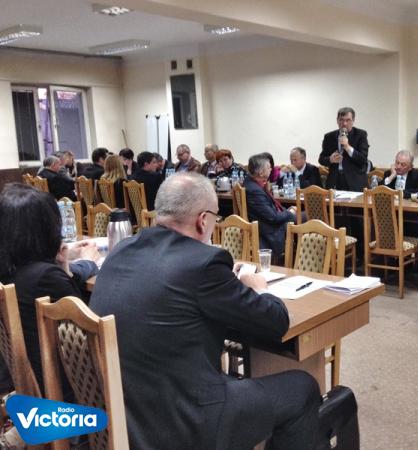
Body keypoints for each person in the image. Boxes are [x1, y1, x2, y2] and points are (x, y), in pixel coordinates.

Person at [89, 173, 320, 450]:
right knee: (302, 388)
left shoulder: (122, 249)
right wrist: (259, 288)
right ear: (202, 220)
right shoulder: (205, 263)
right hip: (184, 422)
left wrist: (225, 285)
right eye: (215, 218)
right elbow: (276, 322)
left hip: (124, 415)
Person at [0, 184, 100, 393]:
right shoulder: (46, 277)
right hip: (62, 389)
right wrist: (74, 266)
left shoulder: (15, 269)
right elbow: (87, 331)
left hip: (20, 381)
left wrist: (65, 264)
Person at [246, 154, 297, 260]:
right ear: (261, 172)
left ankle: (298, 256)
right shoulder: (254, 191)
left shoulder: (250, 182)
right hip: (269, 231)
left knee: (300, 215)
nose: (271, 169)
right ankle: (301, 258)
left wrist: (287, 211)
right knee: (307, 219)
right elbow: (273, 217)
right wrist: (290, 213)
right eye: (269, 167)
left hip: (266, 223)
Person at [318, 107, 369, 192]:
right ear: (337, 120)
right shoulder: (329, 136)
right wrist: (330, 159)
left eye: (348, 120)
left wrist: (347, 147)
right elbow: (321, 159)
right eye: (341, 120)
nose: (344, 123)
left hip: (355, 181)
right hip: (335, 180)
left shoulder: (361, 135)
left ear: (353, 120)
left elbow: (363, 160)